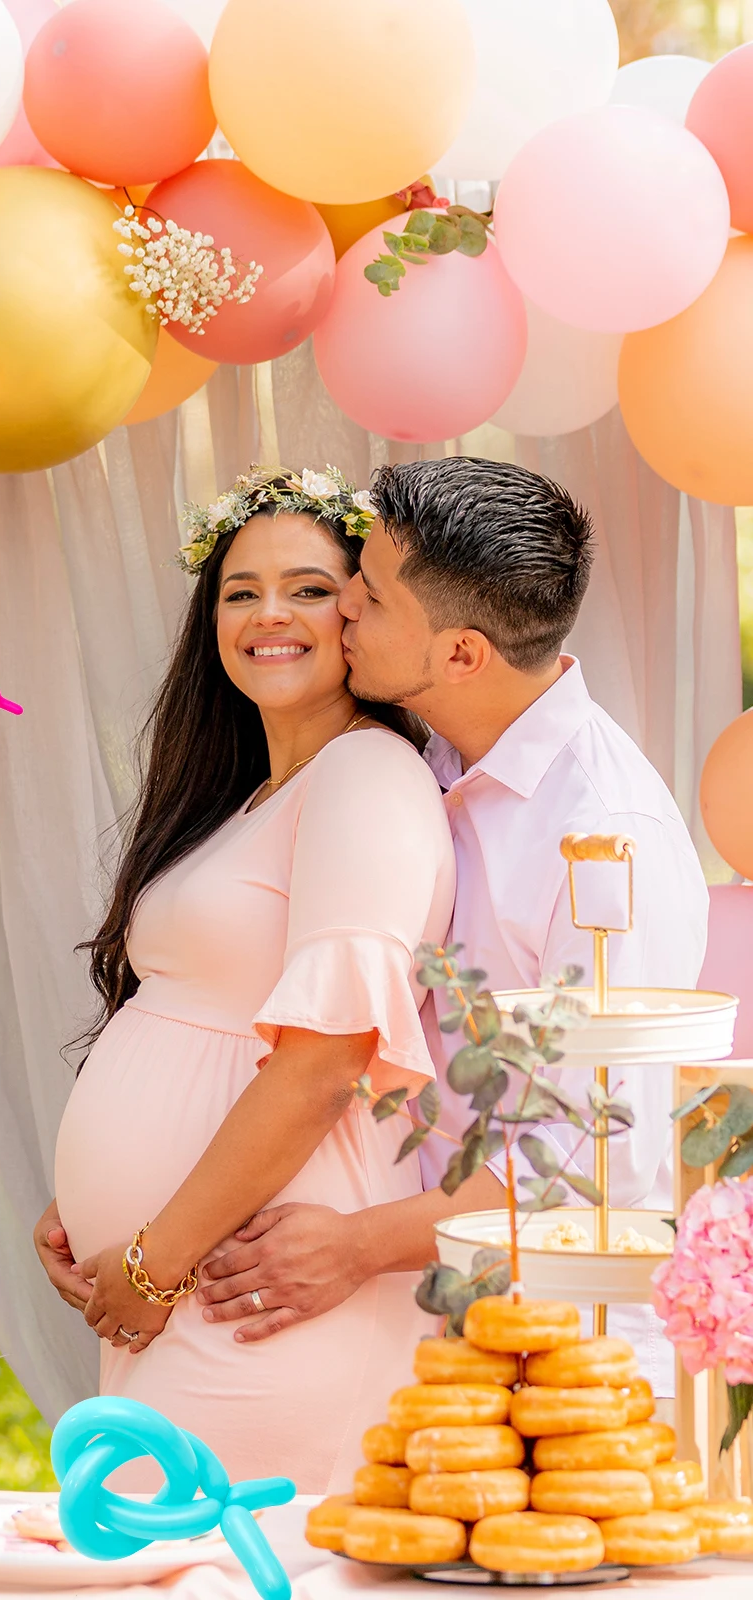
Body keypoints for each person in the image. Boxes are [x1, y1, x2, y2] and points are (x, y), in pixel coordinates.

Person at [194, 457, 708, 1393]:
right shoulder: (419, 750)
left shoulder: (604, 844)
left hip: (566, 1352)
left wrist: (356, 1245)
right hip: (416, 1330)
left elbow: (590, 1166)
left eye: (372, 596)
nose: (343, 605)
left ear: (463, 653)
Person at [36, 466, 455, 1492]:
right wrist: (92, 1216)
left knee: (196, 1561)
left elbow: (322, 1066)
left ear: (359, 614)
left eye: (310, 588)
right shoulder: (253, 796)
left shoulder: (366, 777)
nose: (271, 613)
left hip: (245, 1289)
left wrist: (148, 1258)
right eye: (239, 590)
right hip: (178, 1278)